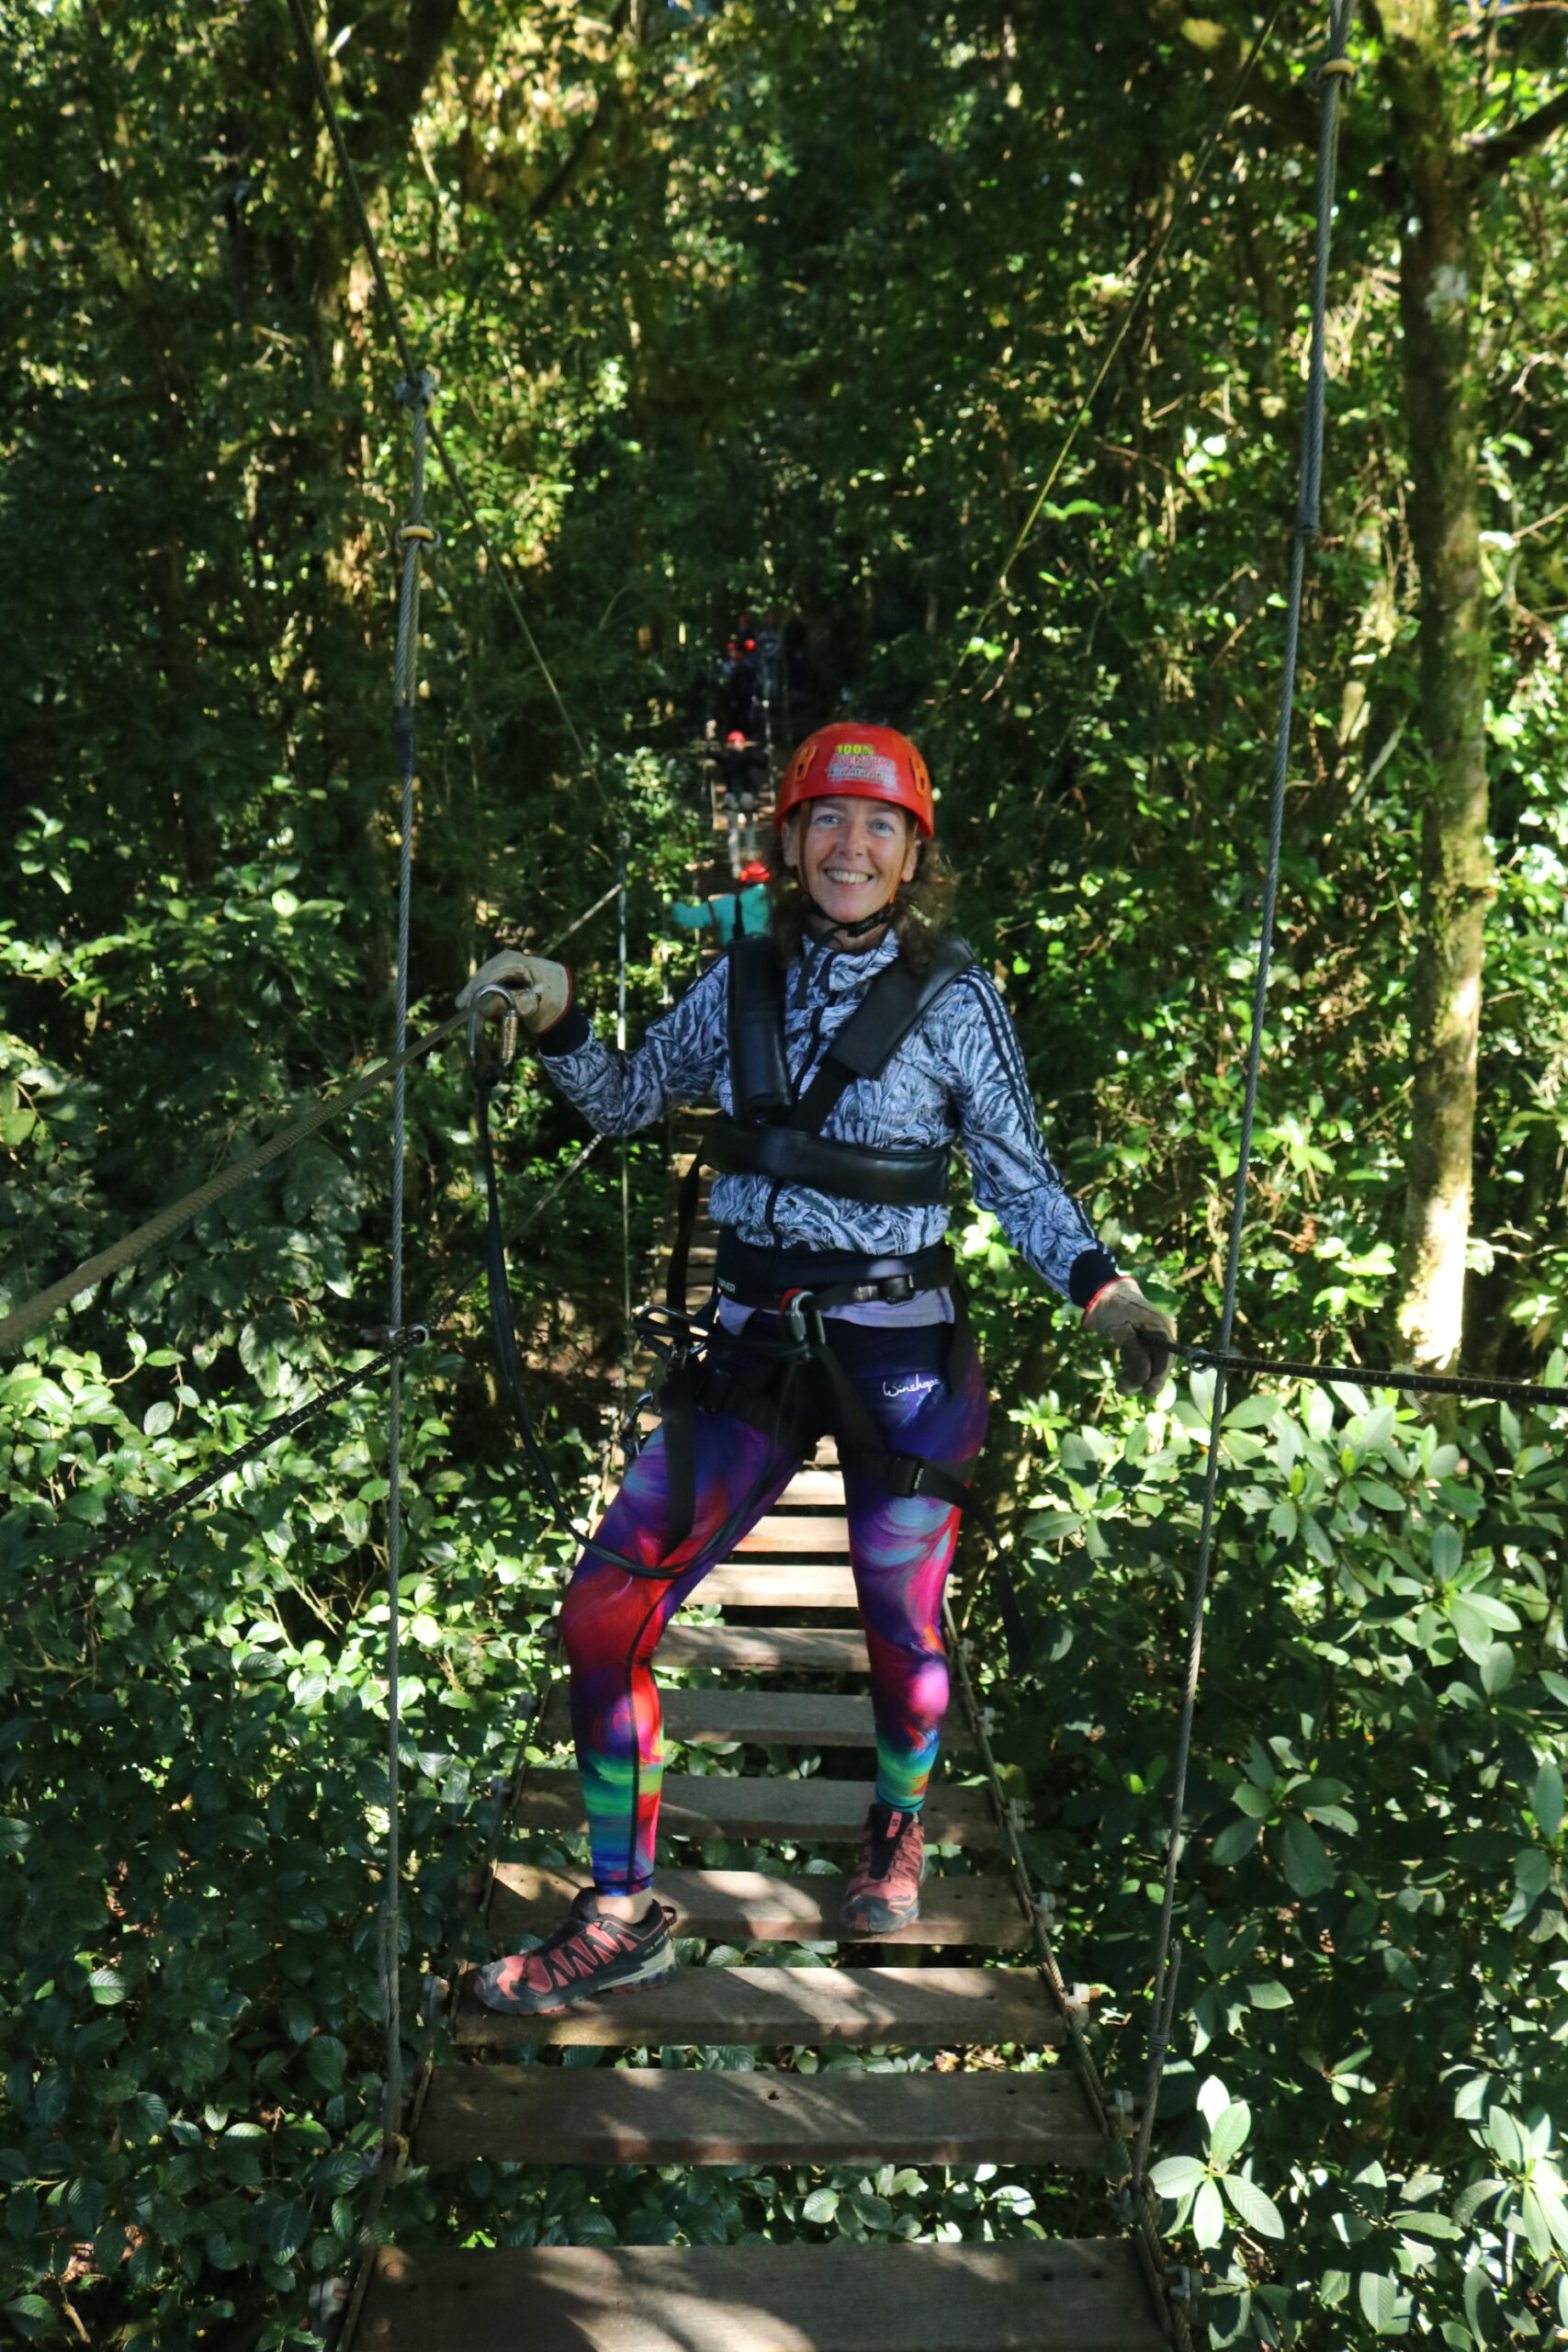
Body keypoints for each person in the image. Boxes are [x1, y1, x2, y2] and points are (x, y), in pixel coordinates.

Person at [456, 722, 1176, 2015]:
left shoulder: (956, 1000)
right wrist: (558, 1019)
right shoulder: (737, 978)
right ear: (789, 842)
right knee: (603, 1614)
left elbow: (1020, 1178)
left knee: (901, 1623)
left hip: (902, 1354)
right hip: (749, 1351)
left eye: (880, 826)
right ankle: (624, 1909)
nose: (852, 846)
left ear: (914, 854)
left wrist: (1106, 1293)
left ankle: (896, 1818)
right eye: (828, 822)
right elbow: (624, 1101)